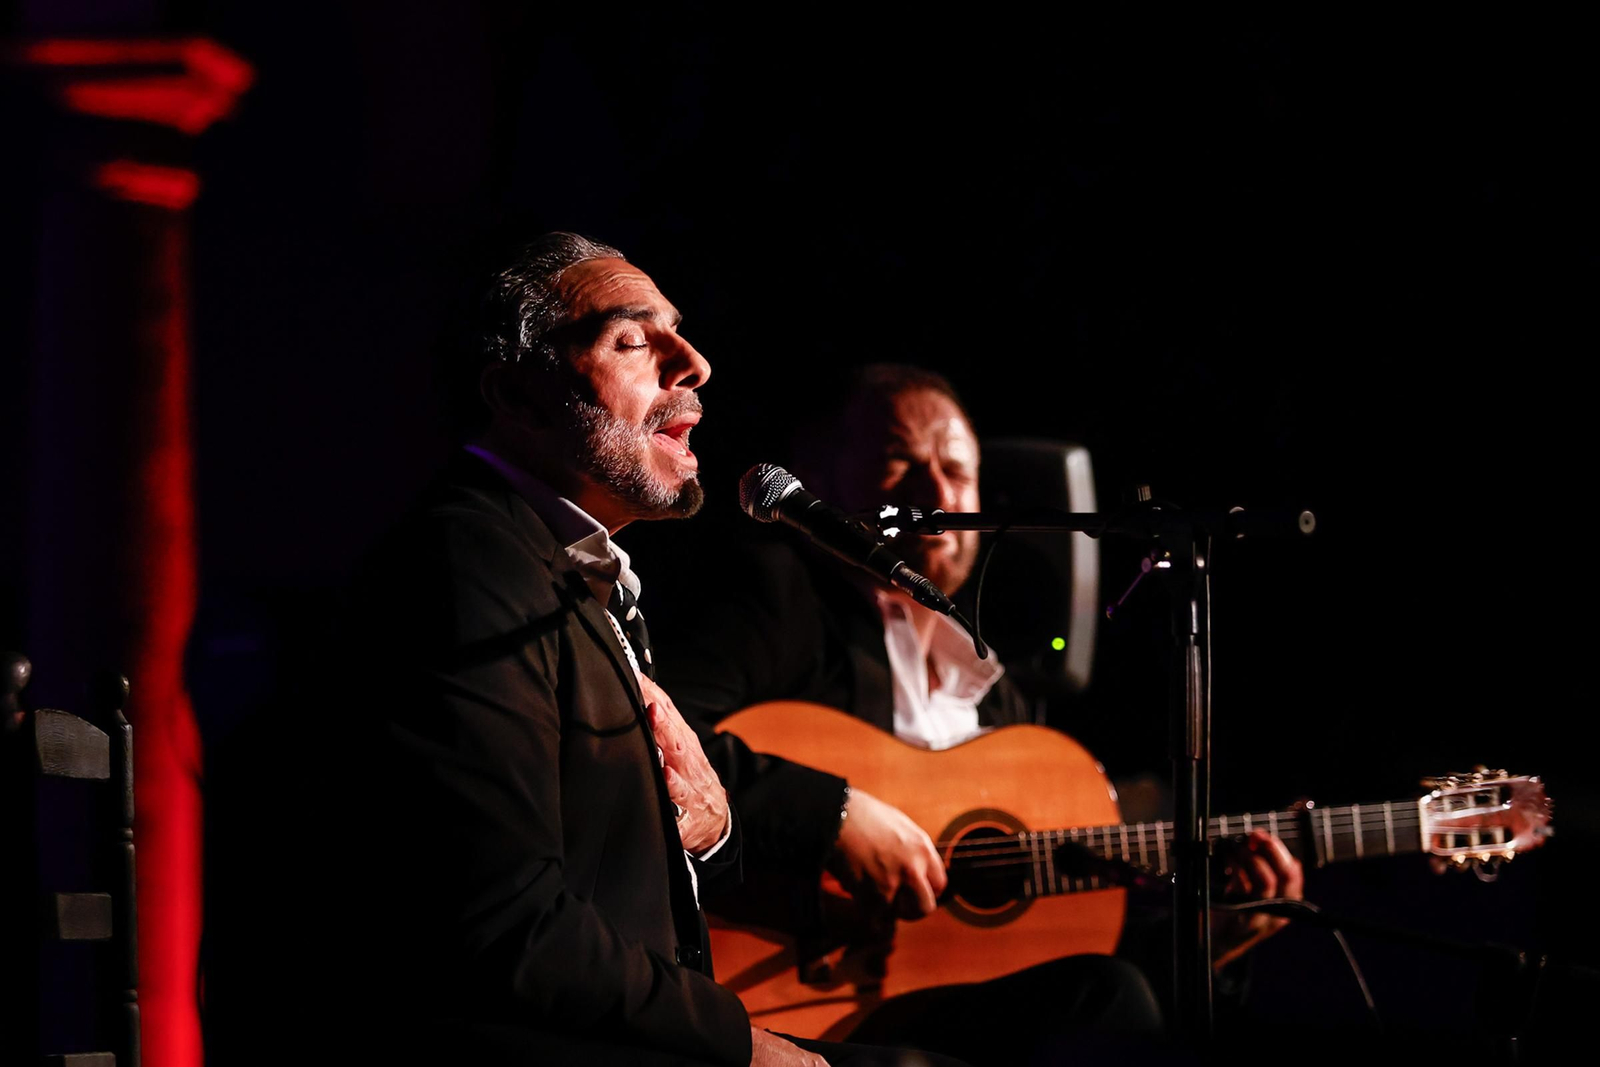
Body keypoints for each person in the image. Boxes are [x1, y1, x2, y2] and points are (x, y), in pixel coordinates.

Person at [334, 237, 966, 1066]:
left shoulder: (556, 565)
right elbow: (503, 920)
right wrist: (742, 1044)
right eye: (633, 341)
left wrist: (717, 823)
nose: (694, 363)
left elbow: (619, 831)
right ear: (517, 394)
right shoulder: (469, 570)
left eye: (679, 332)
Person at [650, 364, 1304, 1065]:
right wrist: (834, 813)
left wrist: (1213, 939)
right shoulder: (780, 599)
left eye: (957, 473)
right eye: (900, 462)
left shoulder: (996, 683)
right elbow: (652, 734)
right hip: (777, 988)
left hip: (929, 1008)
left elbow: (1036, 937)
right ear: (821, 477)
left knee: (1119, 998)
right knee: (1106, 1000)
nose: (936, 493)